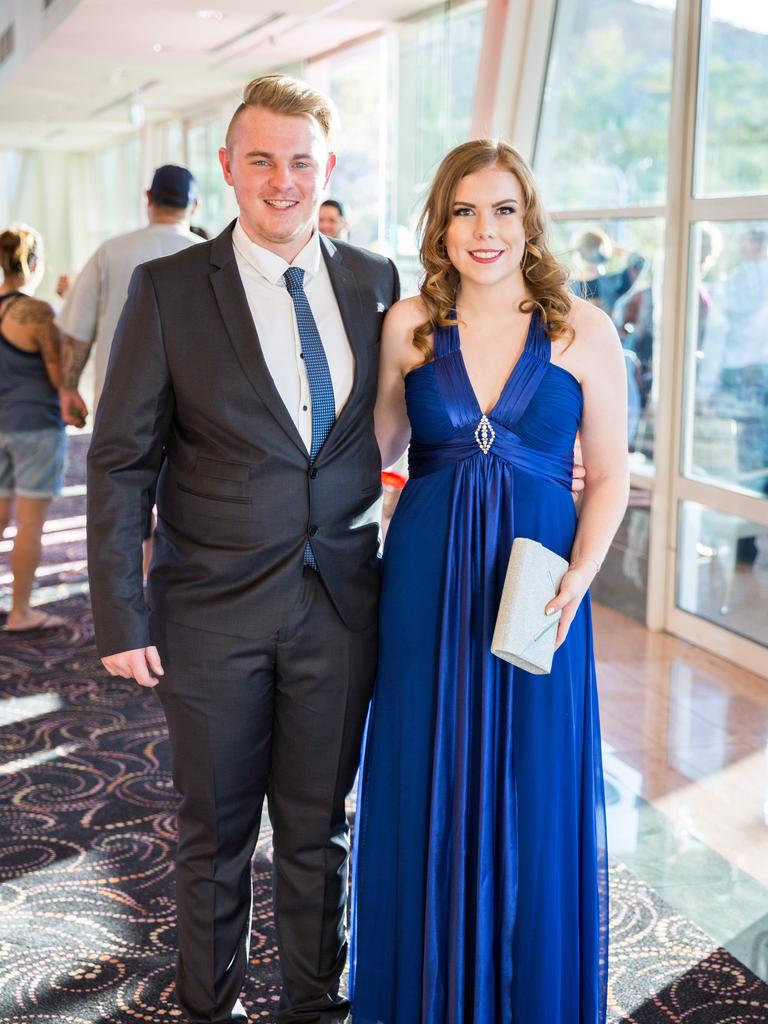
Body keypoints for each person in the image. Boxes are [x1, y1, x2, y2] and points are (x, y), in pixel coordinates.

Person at [85, 75, 400, 1024]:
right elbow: (120, 459)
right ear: (228, 168)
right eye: (260, 159)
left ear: (327, 168)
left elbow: (411, 421)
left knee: (318, 832)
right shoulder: (170, 288)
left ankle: (316, 1003)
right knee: (213, 835)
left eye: (301, 160)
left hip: (342, 608)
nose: (282, 180)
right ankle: (206, 1008)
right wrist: (119, 611)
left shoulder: (376, 282)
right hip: (210, 613)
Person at [350, 140, 629, 1023]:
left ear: (529, 221)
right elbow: (375, 456)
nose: (485, 229)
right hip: (427, 589)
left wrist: (582, 574)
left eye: (504, 210)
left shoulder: (584, 328)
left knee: (536, 791)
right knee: (422, 779)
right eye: (466, 209)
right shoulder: (410, 325)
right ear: (441, 222)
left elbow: (612, 474)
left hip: (542, 591)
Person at [55, 164, 202, 425]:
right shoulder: (209, 257)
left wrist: (68, 389)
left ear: (148, 198)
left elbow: (78, 334)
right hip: (195, 412)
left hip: (119, 403)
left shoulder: (111, 252)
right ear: (196, 205)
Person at [0, 227, 69, 631]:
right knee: (29, 523)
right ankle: (20, 611)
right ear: (36, 263)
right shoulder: (38, 313)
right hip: (36, 428)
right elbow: (60, 376)